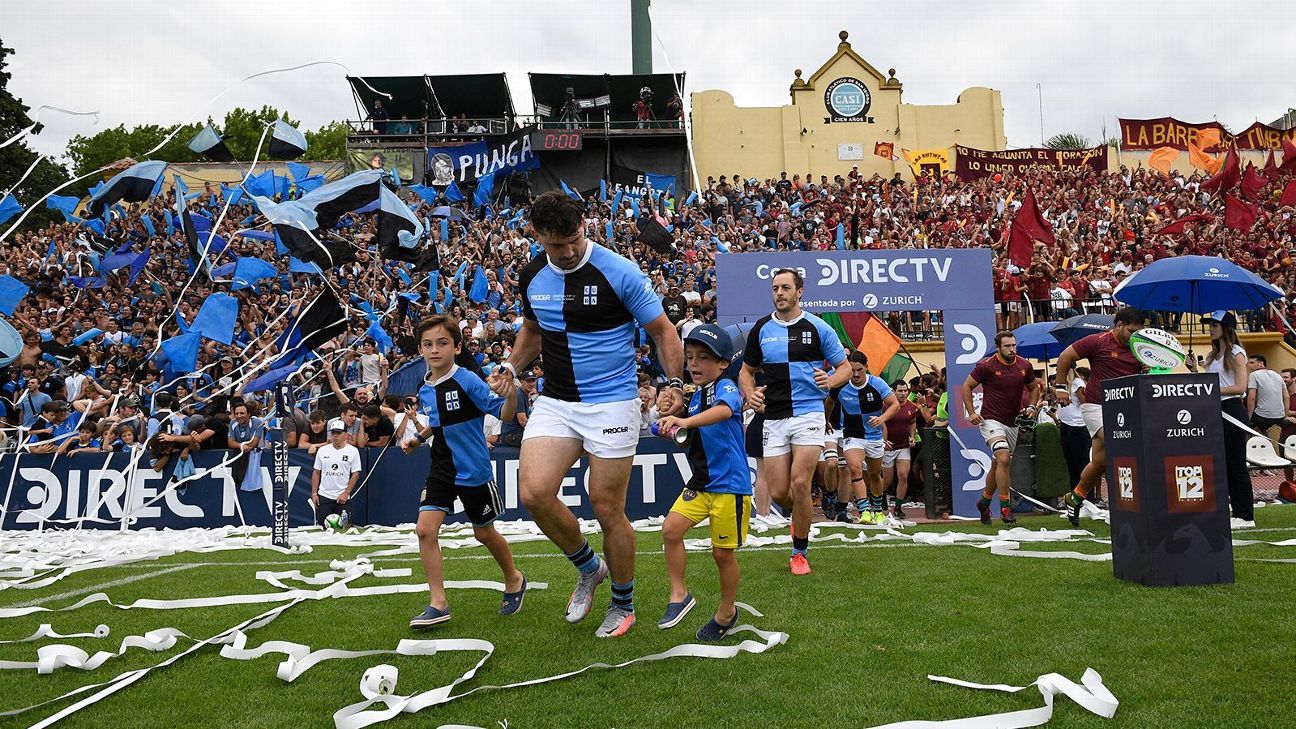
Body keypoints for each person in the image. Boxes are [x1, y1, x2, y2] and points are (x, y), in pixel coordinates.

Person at [487, 191, 685, 638]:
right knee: (534, 493)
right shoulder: (532, 274)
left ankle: (623, 603)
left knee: (607, 508)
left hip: (612, 400)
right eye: (557, 245)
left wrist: (674, 384)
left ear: (584, 226)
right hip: (557, 401)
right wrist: (511, 367)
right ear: (538, 236)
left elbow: (662, 331)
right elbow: (532, 330)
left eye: (575, 239)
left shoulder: (619, 271)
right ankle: (589, 567)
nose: (568, 251)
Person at [402, 315, 525, 628]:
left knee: (483, 533)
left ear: (457, 347)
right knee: (424, 530)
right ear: (420, 349)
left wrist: (511, 394)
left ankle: (514, 578)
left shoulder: (468, 380)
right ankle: (438, 603)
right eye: (428, 344)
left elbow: (503, 413)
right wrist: (419, 438)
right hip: (442, 466)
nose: (434, 350)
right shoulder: (425, 388)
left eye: (442, 343)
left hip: (473, 469)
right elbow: (439, 420)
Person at [742, 268, 850, 571]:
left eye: (785, 287)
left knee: (800, 482)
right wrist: (750, 394)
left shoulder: (818, 327)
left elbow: (843, 367)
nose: (779, 293)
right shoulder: (762, 328)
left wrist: (831, 380)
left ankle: (799, 552)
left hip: (808, 412)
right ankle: (801, 517)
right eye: (775, 288)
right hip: (773, 416)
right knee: (779, 492)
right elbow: (746, 372)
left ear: (799, 292)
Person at [655, 324, 751, 641]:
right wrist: (667, 425)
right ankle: (679, 594)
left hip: (729, 486)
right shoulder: (695, 398)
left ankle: (726, 613)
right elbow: (687, 439)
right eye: (690, 357)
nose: (694, 364)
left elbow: (724, 412)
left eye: (703, 358)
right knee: (670, 530)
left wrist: (682, 418)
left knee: (722, 555)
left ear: (723, 363)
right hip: (701, 483)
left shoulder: (726, 387)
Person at [1055, 307, 1147, 526]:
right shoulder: (1097, 341)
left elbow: (1150, 373)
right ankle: (1126, 504)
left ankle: (1075, 497)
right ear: (1119, 325)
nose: (1134, 336)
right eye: (1131, 331)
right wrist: (1060, 387)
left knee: (1100, 462)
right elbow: (1066, 356)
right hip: (1096, 406)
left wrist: (1147, 368)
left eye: (1138, 331)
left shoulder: (1140, 347)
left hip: (1126, 408)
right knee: (1120, 444)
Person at [962, 331, 1041, 525]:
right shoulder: (986, 366)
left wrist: (1031, 406)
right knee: (1003, 458)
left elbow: (1034, 387)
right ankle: (1005, 508)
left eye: (1014, 345)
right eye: (1007, 346)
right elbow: (966, 387)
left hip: (1013, 422)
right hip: (991, 420)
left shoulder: (1024, 365)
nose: (1012, 349)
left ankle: (984, 502)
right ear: (998, 348)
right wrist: (971, 412)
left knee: (999, 464)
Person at [1186, 311, 1255, 529]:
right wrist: (1194, 371)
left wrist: (1211, 388)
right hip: (1214, 409)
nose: (1211, 328)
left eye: (1215, 325)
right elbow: (1206, 385)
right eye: (1210, 325)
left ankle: (1245, 515)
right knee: (1221, 463)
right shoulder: (1212, 356)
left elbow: (1240, 387)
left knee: (1236, 464)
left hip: (1232, 409)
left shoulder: (1237, 353)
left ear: (1226, 327)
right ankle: (1229, 509)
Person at [828, 351, 899, 526]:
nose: (856, 374)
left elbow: (895, 404)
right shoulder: (841, 385)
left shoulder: (877, 384)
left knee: (874, 474)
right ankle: (864, 510)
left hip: (874, 436)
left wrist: (881, 419)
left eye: (859, 369)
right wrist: (825, 420)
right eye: (852, 370)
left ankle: (877, 510)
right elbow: (829, 402)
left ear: (866, 367)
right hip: (852, 435)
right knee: (855, 469)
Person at [883, 380, 924, 520]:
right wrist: (883, 439)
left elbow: (912, 422)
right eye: (900, 391)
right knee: (887, 480)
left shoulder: (911, 406)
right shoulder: (885, 406)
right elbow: (879, 422)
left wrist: (912, 436)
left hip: (903, 446)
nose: (903, 393)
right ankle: (878, 497)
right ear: (893, 391)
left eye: (905, 390)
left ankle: (898, 507)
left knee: (903, 475)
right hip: (888, 448)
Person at [311, 418, 361, 528]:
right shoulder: (322, 450)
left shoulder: (353, 451)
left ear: (346, 435)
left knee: (344, 528)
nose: (335, 436)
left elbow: (356, 473)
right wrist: (314, 493)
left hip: (342, 497)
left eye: (338, 433)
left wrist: (346, 493)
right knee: (323, 528)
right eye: (333, 433)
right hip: (324, 496)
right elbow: (316, 472)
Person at [1056, 366, 1093, 499]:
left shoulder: (1077, 383)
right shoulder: (1062, 386)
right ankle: (1075, 499)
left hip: (1077, 426)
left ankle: (1088, 499)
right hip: (1065, 425)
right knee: (1071, 466)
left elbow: (1085, 402)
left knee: (1082, 465)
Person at [1245, 353, 1286, 435]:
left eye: (1252, 363)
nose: (1249, 365)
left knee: (1245, 428)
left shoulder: (1253, 375)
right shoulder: (1278, 375)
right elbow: (1287, 397)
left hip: (1263, 416)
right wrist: (1285, 415)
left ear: (1261, 363)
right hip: (1280, 416)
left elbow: (1251, 398)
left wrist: (1248, 417)